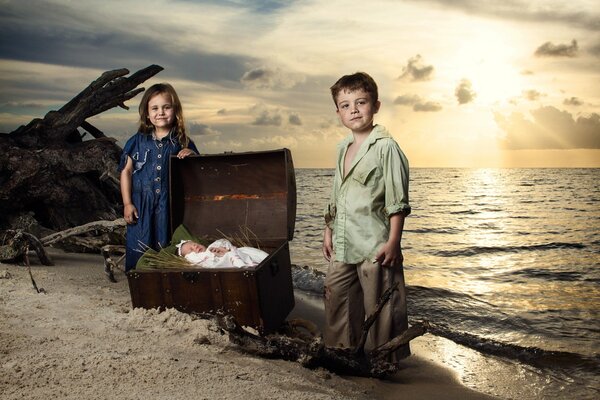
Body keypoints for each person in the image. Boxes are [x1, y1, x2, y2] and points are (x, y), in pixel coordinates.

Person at [322, 72, 411, 362]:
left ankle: (386, 360)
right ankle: (343, 352)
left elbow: (397, 201)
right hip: (345, 240)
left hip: (375, 243)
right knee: (338, 296)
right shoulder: (342, 149)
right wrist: (328, 229)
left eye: (361, 102)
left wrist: (394, 241)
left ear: (376, 105)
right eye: (345, 105)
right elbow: (337, 193)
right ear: (338, 112)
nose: (354, 110)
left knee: (382, 304)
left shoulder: (386, 147)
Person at [119, 83, 198, 271]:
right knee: (139, 242)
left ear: (175, 110)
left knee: (166, 242)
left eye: (166, 107)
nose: (160, 113)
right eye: (155, 108)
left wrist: (191, 154)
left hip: (168, 204)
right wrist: (127, 203)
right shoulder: (136, 141)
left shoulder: (182, 141)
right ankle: (138, 279)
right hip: (141, 203)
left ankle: (164, 281)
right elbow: (126, 171)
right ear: (147, 113)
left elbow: (197, 171)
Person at [177, 239, 268, 268]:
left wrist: (221, 249)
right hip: (224, 264)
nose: (195, 247)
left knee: (235, 253)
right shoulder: (199, 260)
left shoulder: (212, 246)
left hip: (235, 253)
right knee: (230, 256)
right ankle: (245, 266)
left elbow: (224, 242)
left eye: (194, 245)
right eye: (191, 250)